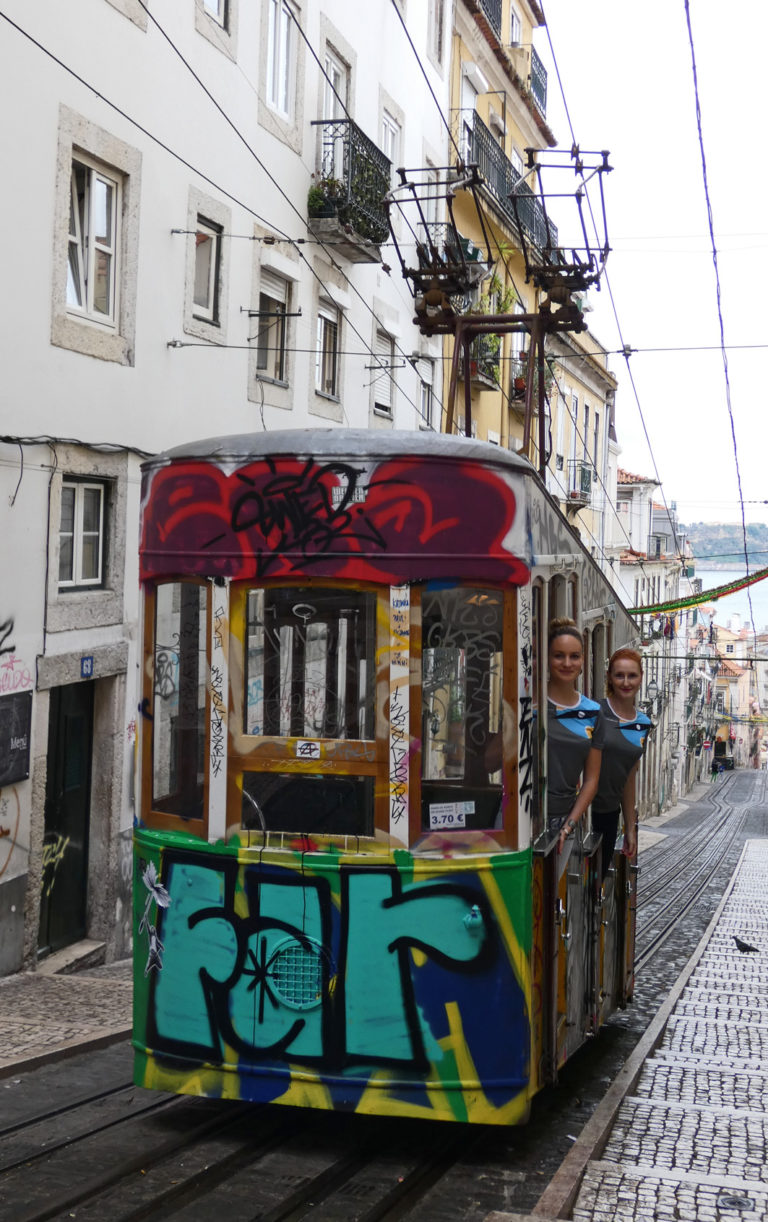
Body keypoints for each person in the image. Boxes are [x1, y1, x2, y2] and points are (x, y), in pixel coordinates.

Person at [592, 648, 653, 881]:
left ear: (641, 677)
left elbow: (629, 777)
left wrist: (629, 827)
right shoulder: (595, 712)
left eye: (632, 676)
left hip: (609, 813)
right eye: (619, 675)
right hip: (582, 813)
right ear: (609, 676)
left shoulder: (642, 724)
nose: (626, 682)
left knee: (597, 886)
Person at [546, 619, 605, 860]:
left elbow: (591, 780)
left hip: (564, 823)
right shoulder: (530, 704)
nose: (567, 663)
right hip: (521, 818)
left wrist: (569, 824)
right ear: (547, 658)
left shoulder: (593, 712)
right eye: (559, 656)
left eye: (574, 656)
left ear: (582, 662)